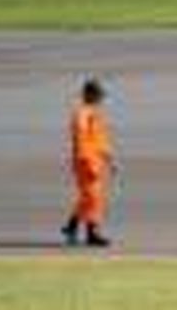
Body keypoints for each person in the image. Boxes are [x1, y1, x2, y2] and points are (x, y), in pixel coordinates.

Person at [61, 79, 116, 247]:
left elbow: (101, 140)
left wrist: (109, 159)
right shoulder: (82, 114)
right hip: (85, 160)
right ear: (89, 95)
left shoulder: (95, 114)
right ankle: (92, 233)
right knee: (93, 197)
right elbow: (81, 139)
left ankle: (72, 226)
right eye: (98, 95)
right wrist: (86, 161)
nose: (100, 99)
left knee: (89, 197)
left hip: (95, 160)